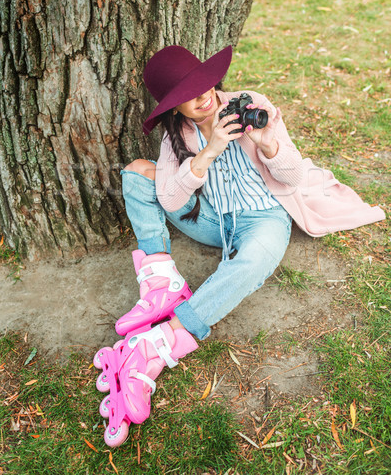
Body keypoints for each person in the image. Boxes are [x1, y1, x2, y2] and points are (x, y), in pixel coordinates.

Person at [95, 45, 385, 447]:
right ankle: (160, 283)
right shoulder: (177, 134)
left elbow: (295, 176)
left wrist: (268, 143)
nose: (202, 97)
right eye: (187, 97)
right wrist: (209, 150)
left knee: (252, 262)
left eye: (203, 85)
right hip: (213, 221)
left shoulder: (252, 105)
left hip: (264, 215)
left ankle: (161, 342)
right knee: (136, 174)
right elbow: (172, 200)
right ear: (173, 109)